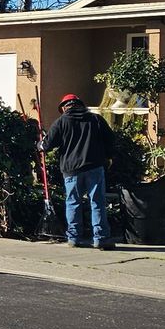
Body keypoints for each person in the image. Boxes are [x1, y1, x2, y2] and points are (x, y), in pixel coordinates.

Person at [43, 92, 115, 249]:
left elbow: (47, 146)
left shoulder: (61, 122)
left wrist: (39, 145)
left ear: (64, 108)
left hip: (71, 169)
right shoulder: (95, 119)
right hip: (94, 167)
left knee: (73, 202)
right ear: (81, 105)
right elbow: (111, 140)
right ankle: (101, 239)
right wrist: (108, 157)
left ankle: (74, 238)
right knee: (97, 202)